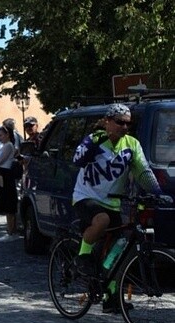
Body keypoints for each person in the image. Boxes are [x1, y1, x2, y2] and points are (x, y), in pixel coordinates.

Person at [71, 103, 168, 312]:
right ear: (108, 122)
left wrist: (159, 194)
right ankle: (83, 256)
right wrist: (90, 147)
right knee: (102, 220)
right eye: (120, 122)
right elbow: (77, 159)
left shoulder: (131, 144)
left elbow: (143, 171)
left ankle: (111, 297)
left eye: (128, 124)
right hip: (86, 197)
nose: (125, 127)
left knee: (119, 250)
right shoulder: (96, 139)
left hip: (112, 202)